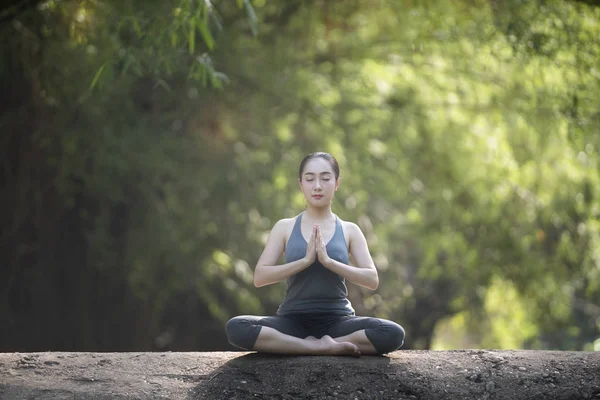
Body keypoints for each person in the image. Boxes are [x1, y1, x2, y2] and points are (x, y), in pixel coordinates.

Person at [226, 152, 405, 356]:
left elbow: (372, 280)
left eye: (325, 178)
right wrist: (304, 261)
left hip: (338, 320)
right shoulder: (284, 227)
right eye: (310, 179)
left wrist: (329, 262)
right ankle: (320, 347)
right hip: (292, 320)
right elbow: (260, 277)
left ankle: (306, 345)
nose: (317, 186)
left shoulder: (349, 230)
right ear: (301, 184)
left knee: (392, 333)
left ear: (337, 183)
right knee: (237, 327)